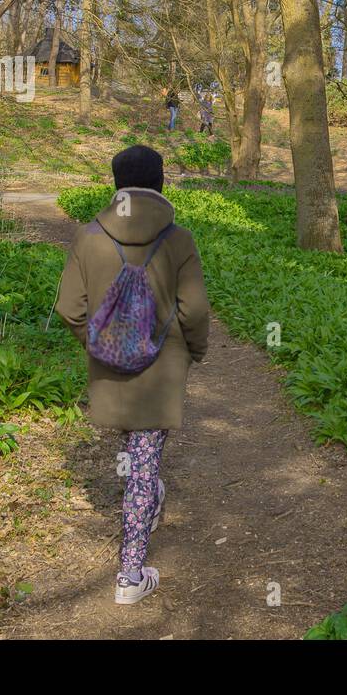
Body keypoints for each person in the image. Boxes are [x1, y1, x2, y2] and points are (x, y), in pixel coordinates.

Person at [54, 145, 212, 605]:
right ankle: (129, 576)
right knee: (143, 462)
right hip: (161, 371)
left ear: (117, 183)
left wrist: (100, 343)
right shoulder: (179, 240)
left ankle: (149, 491)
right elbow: (195, 310)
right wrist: (195, 352)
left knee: (138, 453)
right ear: (160, 183)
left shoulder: (88, 237)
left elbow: (69, 308)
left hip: (110, 372)